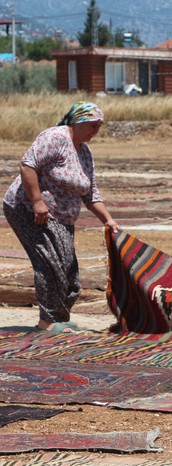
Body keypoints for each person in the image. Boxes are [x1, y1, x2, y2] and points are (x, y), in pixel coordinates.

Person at [3, 102, 119, 333]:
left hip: (62, 217)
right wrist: (37, 202)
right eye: (92, 125)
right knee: (49, 264)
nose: (95, 131)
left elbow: (90, 191)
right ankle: (48, 321)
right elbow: (27, 166)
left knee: (68, 269)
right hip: (28, 209)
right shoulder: (55, 137)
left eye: (98, 127)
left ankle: (60, 316)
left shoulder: (84, 152)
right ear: (78, 121)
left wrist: (108, 220)